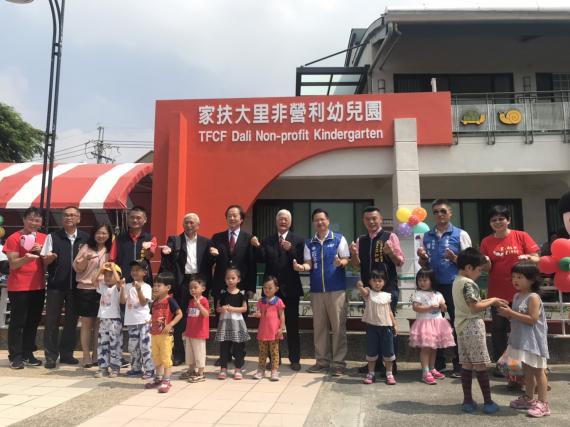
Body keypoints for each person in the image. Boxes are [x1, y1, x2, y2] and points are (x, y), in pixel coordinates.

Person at [480, 205, 540, 376]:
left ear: (508, 220)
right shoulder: (486, 242)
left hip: (523, 294)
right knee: (499, 330)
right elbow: (486, 268)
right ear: (490, 223)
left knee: (522, 330)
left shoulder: (521, 236)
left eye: (501, 219)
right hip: (498, 294)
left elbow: (537, 257)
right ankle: (503, 367)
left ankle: (527, 367)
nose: (498, 222)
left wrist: (529, 257)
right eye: (494, 220)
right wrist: (485, 262)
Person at [417, 199, 472, 377]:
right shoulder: (426, 236)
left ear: (450, 213)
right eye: (436, 212)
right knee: (434, 325)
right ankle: (437, 363)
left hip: (454, 285)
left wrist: (455, 258)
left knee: (458, 323)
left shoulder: (461, 234)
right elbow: (423, 263)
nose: (439, 214)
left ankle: (460, 363)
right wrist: (422, 258)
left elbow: (470, 262)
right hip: (433, 288)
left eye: (443, 211)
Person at [294, 208, 350, 376]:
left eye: (322, 219)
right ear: (313, 223)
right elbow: (309, 263)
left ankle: (339, 363)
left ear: (328, 221)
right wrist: (301, 267)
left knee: (338, 327)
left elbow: (346, 258)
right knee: (319, 328)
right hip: (317, 291)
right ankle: (322, 361)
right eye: (316, 220)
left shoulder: (339, 238)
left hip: (337, 290)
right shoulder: (309, 243)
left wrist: (341, 263)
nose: (320, 222)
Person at [350, 206, 404, 375]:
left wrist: (390, 253)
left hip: (387, 290)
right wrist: (353, 254)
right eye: (367, 219)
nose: (371, 222)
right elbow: (357, 265)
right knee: (372, 326)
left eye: (374, 218)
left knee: (388, 326)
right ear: (363, 221)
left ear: (380, 219)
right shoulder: (361, 240)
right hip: (369, 292)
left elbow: (400, 262)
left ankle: (391, 365)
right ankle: (375, 363)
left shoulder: (390, 236)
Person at [452, 248, 507, 414]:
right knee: (481, 365)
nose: (480, 273)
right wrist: (493, 301)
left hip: (461, 326)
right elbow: (474, 306)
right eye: (479, 270)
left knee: (467, 364)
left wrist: (492, 299)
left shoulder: (457, 281)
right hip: (473, 326)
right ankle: (488, 402)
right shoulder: (468, 283)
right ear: (469, 268)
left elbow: (472, 303)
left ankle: (467, 401)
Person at [250, 209, 305, 371]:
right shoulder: (268, 240)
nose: (283, 221)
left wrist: (291, 250)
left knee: (292, 325)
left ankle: (295, 359)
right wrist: (257, 246)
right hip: (271, 291)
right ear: (276, 221)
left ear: (290, 222)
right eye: (280, 218)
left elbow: (303, 260)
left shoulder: (298, 240)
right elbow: (261, 259)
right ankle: (275, 359)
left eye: (286, 219)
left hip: (291, 289)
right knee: (271, 325)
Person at [159, 212, 213, 366]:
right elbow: (168, 251)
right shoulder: (175, 240)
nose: (189, 225)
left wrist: (214, 256)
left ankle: (198, 355)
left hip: (198, 282)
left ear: (198, 225)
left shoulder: (205, 242)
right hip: (182, 283)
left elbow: (209, 262)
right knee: (179, 317)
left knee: (199, 316)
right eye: (186, 222)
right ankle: (178, 354)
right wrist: (166, 251)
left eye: (192, 223)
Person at [498, 262, 550, 418]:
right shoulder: (516, 296)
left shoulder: (533, 297)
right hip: (521, 340)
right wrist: (508, 314)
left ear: (532, 280)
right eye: (514, 276)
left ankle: (543, 403)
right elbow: (517, 318)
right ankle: (529, 398)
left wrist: (510, 313)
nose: (515, 280)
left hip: (533, 341)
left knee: (539, 370)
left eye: (520, 277)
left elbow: (532, 319)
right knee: (527, 370)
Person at [41, 206, 89, 369]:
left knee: (71, 321)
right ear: (62, 219)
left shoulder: (85, 238)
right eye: (66, 215)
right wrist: (50, 258)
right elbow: (44, 261)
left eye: (73, 215)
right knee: (51, 321)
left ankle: (67, 354)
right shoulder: (52, 237)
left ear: (78, 219)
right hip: (56, 285)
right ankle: (50, 356)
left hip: (77, 286)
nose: (69, 217)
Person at [2, 207, 46, 369]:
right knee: (17, 322)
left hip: (38, 285)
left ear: (41, 222)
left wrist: (44, 253)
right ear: (24, 220)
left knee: (33, 321)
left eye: (37, 220)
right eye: (31, 219)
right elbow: (13, 264)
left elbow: (47, 261)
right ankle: (15, 355)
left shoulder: (44, 238)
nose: (34, 223)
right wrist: (26, 258)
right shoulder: (14, 238)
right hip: (19, 286)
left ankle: (28, 353)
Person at [73, 223, 112, 368]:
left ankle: (97, 354)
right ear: (93, 234)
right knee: (86, 324)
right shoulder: (86, 248)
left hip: (104, 290)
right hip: (86, 289)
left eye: (104, 233)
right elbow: (77, 268)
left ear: (109, 235)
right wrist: (85, 259)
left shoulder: (110, 250)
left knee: (99, 325)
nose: (101, 236)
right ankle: (85, 355)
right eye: (98, 233)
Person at [409, 268, 456, 385]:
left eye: (425, 280)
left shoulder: (438, 294)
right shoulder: (418, 294)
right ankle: (425, 372)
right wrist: (429, 308)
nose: (422, 283)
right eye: (420, 280)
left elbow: (444, 307)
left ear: (432, 281)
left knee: (434, 348)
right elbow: (416, 308)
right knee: (426, 348)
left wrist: (443, 306)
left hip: (438, 323)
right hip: (425, 324)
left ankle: (432, 368)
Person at [355, 270, 397, 386]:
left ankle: (389, 374)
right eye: (374, 281)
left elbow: (389, 311)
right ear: (370, 282)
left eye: (380, 281)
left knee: (388, 352)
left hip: (386, 328)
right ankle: (371, 373)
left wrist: (394, 324)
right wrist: (360, 287)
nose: (377, 283)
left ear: (384, 282)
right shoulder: (368, 293)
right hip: (372, 327)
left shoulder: (387, 295)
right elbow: (363, 292)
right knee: (371, 351)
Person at [145, 272, 183, 393]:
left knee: (166, 358)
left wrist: (170, 324)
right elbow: (155, 316)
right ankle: (158, 379)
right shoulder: (154, 302)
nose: (155, 288)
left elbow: (179, 314)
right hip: (154, 334)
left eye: (159, 285)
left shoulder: (170, 300)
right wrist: (150, 321)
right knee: (156, 358)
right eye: (154, 285)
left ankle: (167, 381)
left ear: (168, 287)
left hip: (166, 335)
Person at [120, 260, 154, 379]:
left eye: (137, 270)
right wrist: (122, 288)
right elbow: (122, 301)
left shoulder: (147, 287)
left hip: (144, 321)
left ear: (144, 272)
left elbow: (144, 303)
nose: (134, 272)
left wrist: (139, 290)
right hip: (131, 321)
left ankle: (149, 369)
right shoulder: (128, 286)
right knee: (133, 347)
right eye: (133, 270)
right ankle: (136, 368)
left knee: (145, 346)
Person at [215, 268, 250, 380]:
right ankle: (223, 369)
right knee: (224, 346)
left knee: (238, 346)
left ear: (238, 279)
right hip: (225, 323)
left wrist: (232, 309)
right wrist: (222, 309)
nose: (230, 280)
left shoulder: (242, 293)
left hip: (237, 323)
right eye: (228, 278)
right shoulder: (222, 293)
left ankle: (238, 369)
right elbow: (217, 308)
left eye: (233, 278)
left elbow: (244, 309)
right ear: (225, 280)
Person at [92, 262, 124, 378]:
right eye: (105, 275)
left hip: (115, 320)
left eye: (110, 275)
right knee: (102, 344)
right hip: (103, 320)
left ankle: (115, 368)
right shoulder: (103, 287)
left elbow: (119, 281)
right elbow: (93, 280)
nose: (107, 278)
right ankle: (103, 367)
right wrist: (101, 270)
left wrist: (113, 268)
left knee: (115, 344)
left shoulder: (118, 287)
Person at [110, 205, 156, 284]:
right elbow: (112, 261)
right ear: (128, 219)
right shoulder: (118, 239)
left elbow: (149, 256)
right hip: (123, 280)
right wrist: (117, 279)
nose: (135, 220)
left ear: (145, 220)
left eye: (138, 218)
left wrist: (147, 248)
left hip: (143, 281)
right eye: (132, 217)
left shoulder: (150, 238)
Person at [251, 276, 285, 381]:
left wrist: (281, 328)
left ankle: (274, 370)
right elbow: (258, 312)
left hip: (274, 332)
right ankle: (261, 370)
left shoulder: (278, 301)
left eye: (270, 288)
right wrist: (257, 314)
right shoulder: (261, 301)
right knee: (262, 352)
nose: (267, 290)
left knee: (274, 352)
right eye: (265, 287)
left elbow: (282, 315)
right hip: (262, 332)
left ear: (276, 289)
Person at [182, 275, 210, 383]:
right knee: (190, 353)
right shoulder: (190, 301)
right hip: (190, 332)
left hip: (199, 333)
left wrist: (199, 305)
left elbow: (206, 314)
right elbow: (190, 317)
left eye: (195, 287)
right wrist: (186, 330)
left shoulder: (204, 300)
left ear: (203, 288)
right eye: (191, 288)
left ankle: (201, 373)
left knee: (199, 353)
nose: (192, 290)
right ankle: (191, 370)